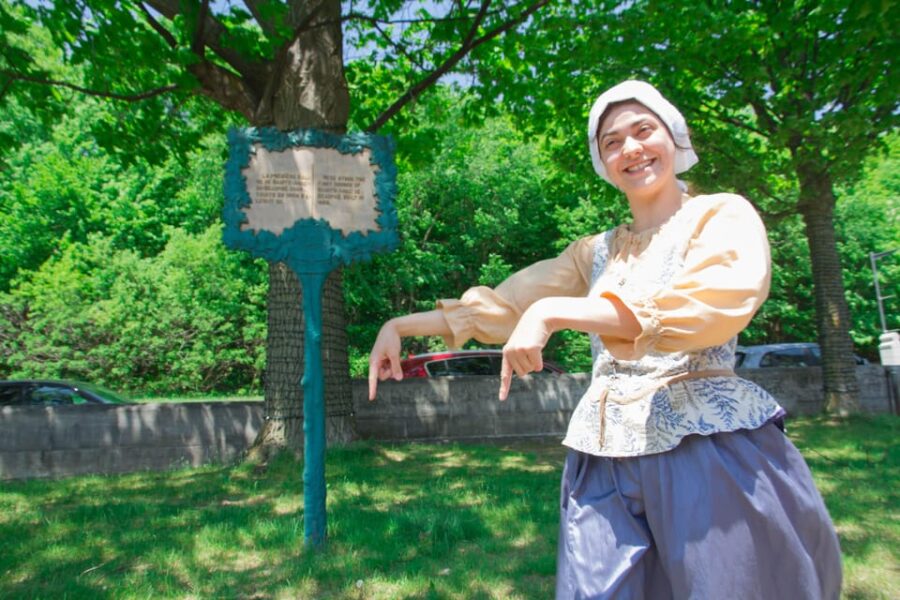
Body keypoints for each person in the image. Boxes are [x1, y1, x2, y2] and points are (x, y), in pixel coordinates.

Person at [368, 80, 842, 599]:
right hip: (604, 458)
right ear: (602, 161)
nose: (630, 149)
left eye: (643, 131)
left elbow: (717, 300)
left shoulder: (720, 215)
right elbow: (505, 309)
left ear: (674, 137)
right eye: (611, 142)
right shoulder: (594, 252)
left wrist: (557, 312)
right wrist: (399, 327)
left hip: (706, 447)